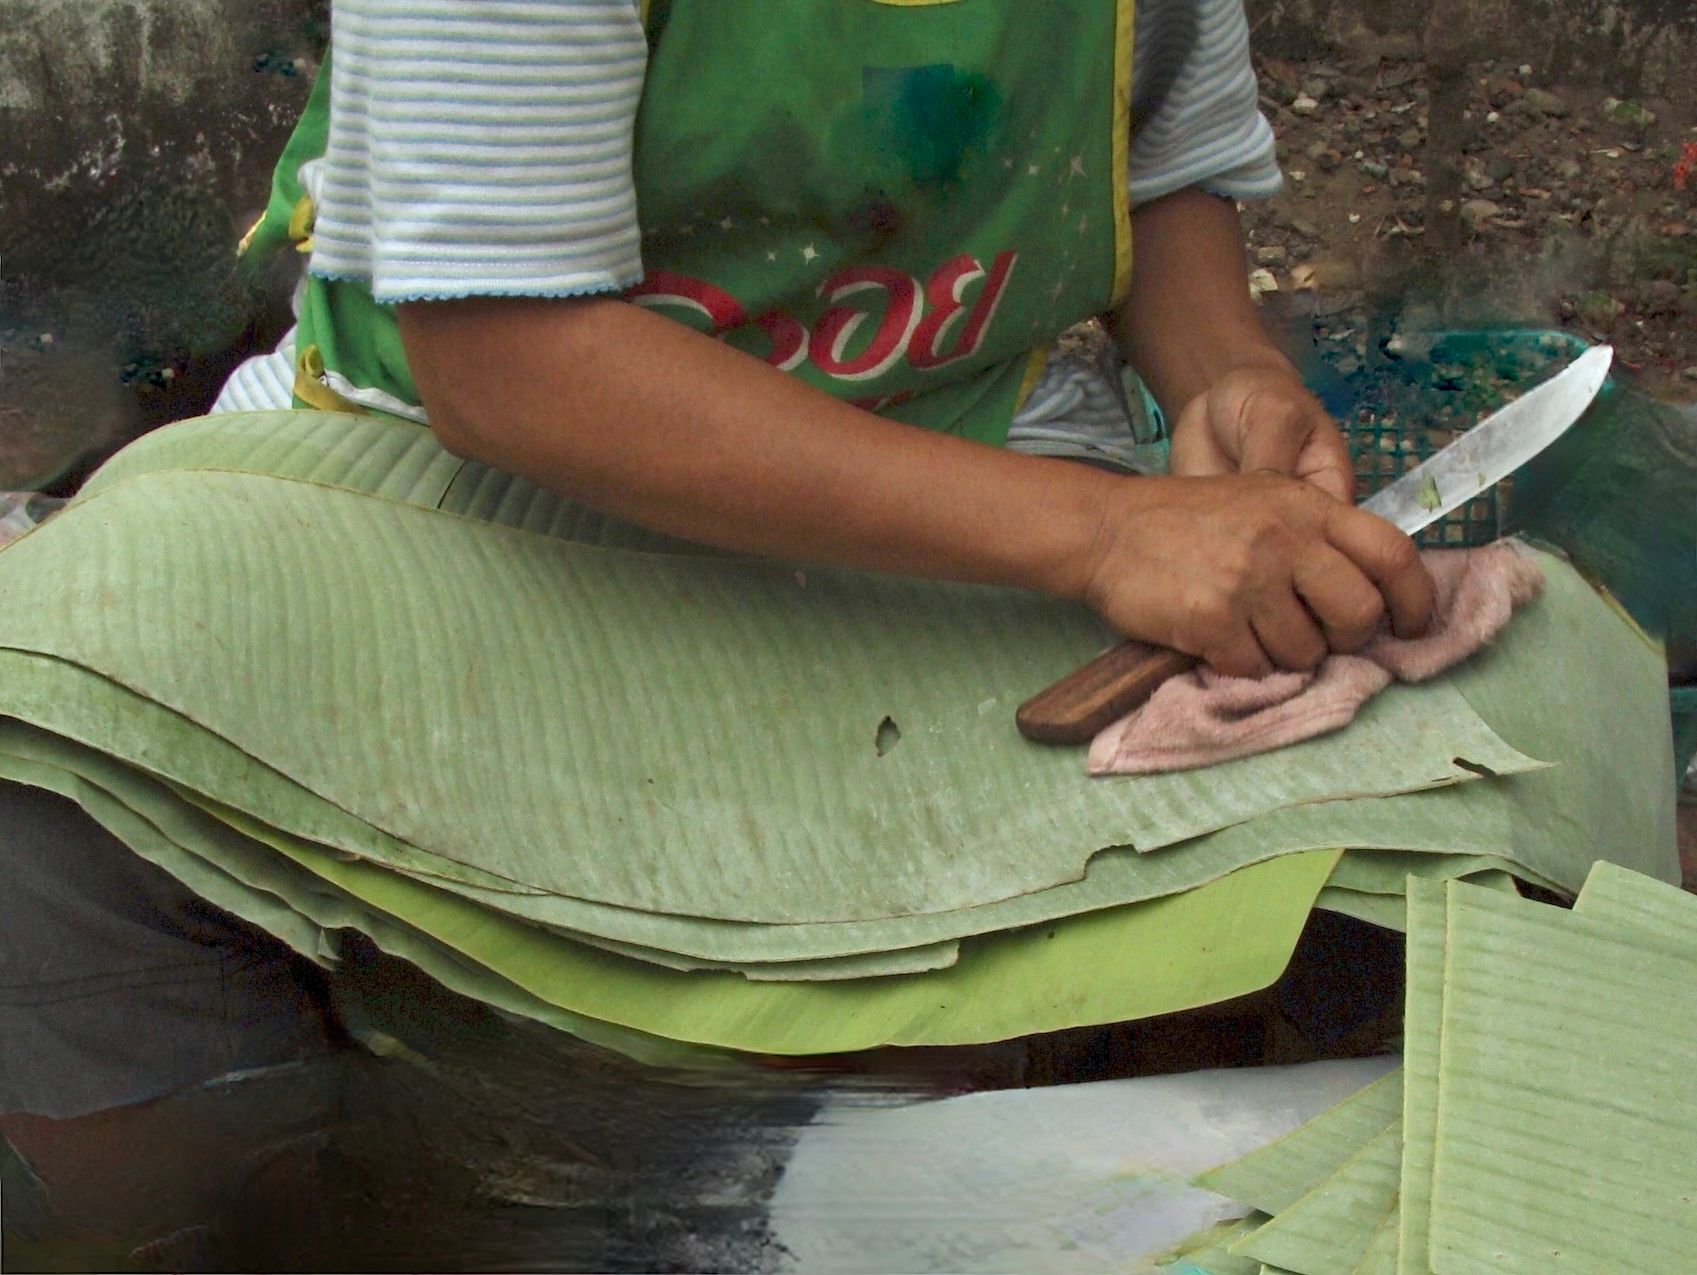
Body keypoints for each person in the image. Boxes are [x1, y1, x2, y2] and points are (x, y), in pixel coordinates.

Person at [1, 0, 1435, 1252]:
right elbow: (510, 364)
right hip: (449, 509)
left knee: (1480, 756)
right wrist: (1114, 536)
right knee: (54, 773)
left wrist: (1224, 378)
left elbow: (1159, 174)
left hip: (953, 505)